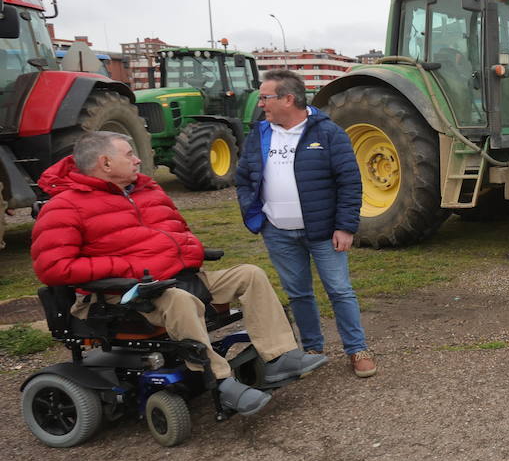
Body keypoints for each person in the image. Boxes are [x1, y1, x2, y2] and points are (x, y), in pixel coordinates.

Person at [30, 131, 326, 414]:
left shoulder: (146, 189)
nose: (137, 160)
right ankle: (222, 380)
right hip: (123, 296)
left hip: (182, 277)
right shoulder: (66, 205)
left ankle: (278, 357)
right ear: (105, 163)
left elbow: (177, 231)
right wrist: (130, 269)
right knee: (179, 300)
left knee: (249, 274)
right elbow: (53, 267)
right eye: (130, 155)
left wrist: (191, 249)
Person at [235, 69, 376, 378]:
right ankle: (313, 349)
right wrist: (256, 216)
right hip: (278, 233)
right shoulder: (259, 134)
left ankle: (357, 349)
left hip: (325, 231)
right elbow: (244, 177)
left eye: (266, 97)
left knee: (339, 290)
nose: (261, 104)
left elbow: (349, 181)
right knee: (298, 293)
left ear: (289, 98)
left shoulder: (327, 133)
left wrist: (345, 226)